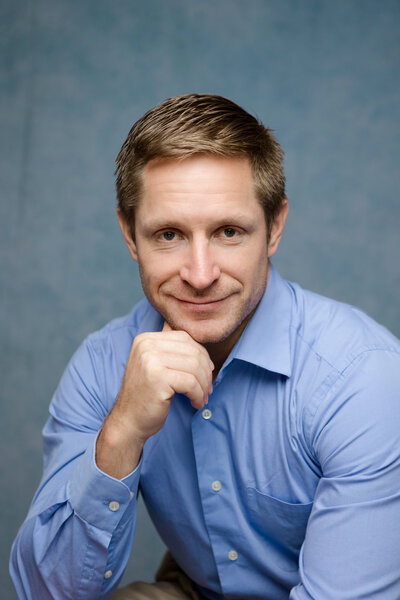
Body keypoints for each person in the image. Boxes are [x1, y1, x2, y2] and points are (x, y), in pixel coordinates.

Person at [10, 94, 400, 600]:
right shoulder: (102, 365)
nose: (200, 275)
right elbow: (45, 592)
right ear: (130, 235)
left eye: (229, 232)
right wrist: (121, 434)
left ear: (274, 227)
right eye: (169, 234)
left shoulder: (363, 380)